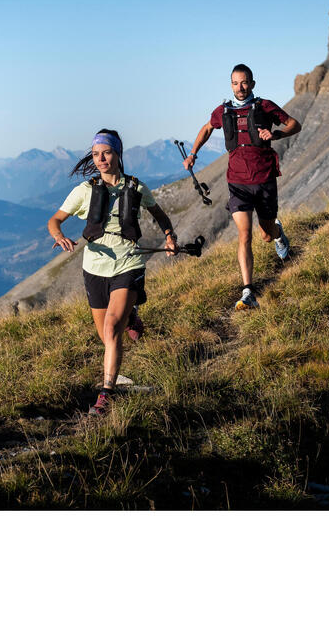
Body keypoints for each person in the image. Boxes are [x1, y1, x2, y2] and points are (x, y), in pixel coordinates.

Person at [48, 129, 177, 416]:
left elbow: (159, 215)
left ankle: (106, 395)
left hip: (129, 263)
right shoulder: (84, 191)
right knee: (106, 337)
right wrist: (58, 236)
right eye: (96, 154)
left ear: (118, 154)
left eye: (106, 152)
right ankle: (131, 317)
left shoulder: (137, 188)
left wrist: (169, 237)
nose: (101, 159)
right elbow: (54, 220)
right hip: (94, 267)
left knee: (111, 328)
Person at [183, 64, 301, 310]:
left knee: (266, 235)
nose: (240, 87)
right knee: (244, 235)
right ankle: (248, 292)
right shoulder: (223, 110)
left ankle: (278, 234)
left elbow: (294, 124)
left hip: (264, 178)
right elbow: (206, 129)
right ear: (231, 85)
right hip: (237, 182)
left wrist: (276, 135)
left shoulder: (265, 106)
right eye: (235, 83)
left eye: (244, 82)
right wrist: (193, 153)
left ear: (253, 84)